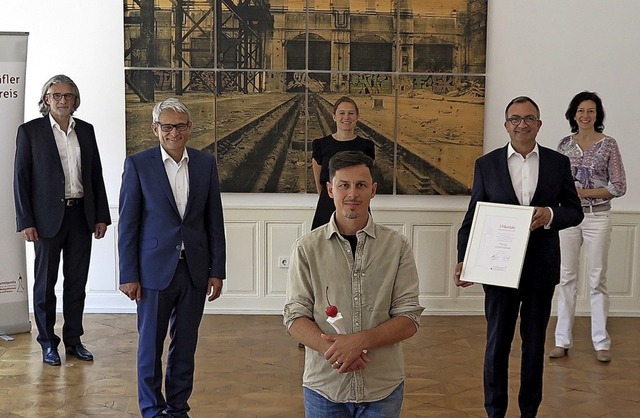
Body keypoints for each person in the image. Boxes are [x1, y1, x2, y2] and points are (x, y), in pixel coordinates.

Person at [454, 96, 584, 418]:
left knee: (534, 345)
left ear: (539, 124)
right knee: (497, 345)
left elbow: (575, 211)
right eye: (515, 118)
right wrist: (464, 258)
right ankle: (494, 411)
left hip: (541, 269)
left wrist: (551, 214)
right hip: (497, 270)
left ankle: (529, 411)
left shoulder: (557, 163)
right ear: (506, 124)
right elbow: (474, 217)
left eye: (529, 118)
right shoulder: (486, 165)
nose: (522, 124)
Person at [284, 150, 424, 418]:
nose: (352, 194)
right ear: (329, 190)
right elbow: (294, 316)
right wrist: (337, 351)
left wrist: (358, 342)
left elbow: (409, 317)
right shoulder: (306, 249)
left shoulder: (397, 247)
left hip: (382, 387)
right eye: (343, 185)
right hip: (325, 388)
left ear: (372, 190)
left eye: (360, 185)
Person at [118, 98, 226, 418]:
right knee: (150, 347)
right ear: (156, 130)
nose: (174, 132)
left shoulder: (205, 165)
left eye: (180, 126)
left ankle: (178, 408)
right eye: (167, 126)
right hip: (152, 273)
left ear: (190, 128)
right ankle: (152, 409)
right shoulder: (138, 165)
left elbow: (213, 222)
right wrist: (128, 274)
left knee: (185, 348)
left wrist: (216, 270)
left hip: (194, 270)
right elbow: (128, 224)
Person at [13, 74, 111, 366]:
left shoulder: (87, 131)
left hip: (81, 215)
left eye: (68, 96)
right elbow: (21, 179)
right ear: (46, 100)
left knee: (76, 283)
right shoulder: (30, 131)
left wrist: (102, 215)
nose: (62, 100)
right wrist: (25, 220)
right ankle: (47, 343)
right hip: (45, 220)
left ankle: (73, 340)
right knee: (44, 284)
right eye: (56, 95)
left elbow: (95, 176)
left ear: (75, 100)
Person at [550, 92, 626, 363]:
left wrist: (584, 193)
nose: (585, 116)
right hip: (568, 219)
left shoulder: (608, 145)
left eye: (591, 111)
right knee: (566, 278)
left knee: (597, 279)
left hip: (598, 218)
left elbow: (619, 186)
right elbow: (557, 184)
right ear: (573, 114)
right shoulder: (563, 145)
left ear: (598, 115)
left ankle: (601, 342)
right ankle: (561, 340)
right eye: (581, 111)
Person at [311, 96, 375, 230]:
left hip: (357, 206)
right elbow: (319, 182)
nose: (346, 117)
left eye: (351, 113)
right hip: (327, 205)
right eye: (341, 113)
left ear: (357, 117)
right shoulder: (320, 145)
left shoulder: (367, 146)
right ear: (334, 116)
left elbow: (367, 179)